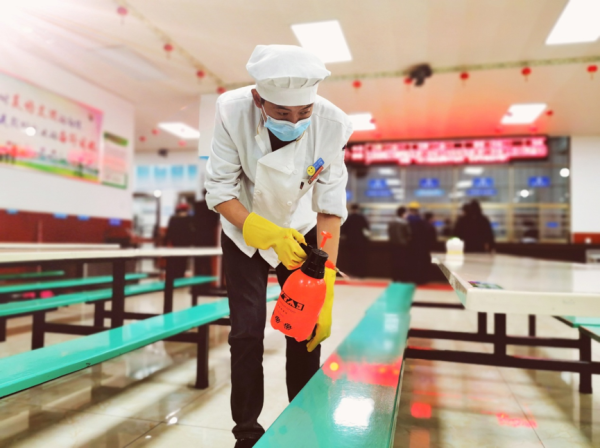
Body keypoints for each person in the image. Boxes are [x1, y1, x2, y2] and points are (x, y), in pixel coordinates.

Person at [204, 44, 352, 448]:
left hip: (301, 229)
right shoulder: (232, 110)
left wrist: (326, 283)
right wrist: (266, 233)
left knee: (305, 332)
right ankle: (246, 432)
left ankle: (302, 426)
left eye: (304, 112)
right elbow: (219, 190)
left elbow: (330, 208)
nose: (295, 121)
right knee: (246, 334)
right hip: (244, 228)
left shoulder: (332, 124)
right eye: (283, 113)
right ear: (259, 99)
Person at [165, 203, 196, 278]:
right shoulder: (189, 219)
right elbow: (192, 232)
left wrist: (167, 241)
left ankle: (176, 276)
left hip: (176, 243)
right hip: (186, 243)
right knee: (183, 261)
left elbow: (170, 232)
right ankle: (181, 275)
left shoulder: (173, 219)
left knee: (176, 260)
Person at [340, 203, 370, 277]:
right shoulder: (361, 217)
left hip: (350, 242)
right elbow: (367, 228)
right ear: (358, 209)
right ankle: (360, 273)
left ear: (351, 209)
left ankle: (352, 272)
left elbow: (343, 230)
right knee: (360, 258)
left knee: (351, 258)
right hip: (360, 242)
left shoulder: (348, 218)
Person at [405, 201, 430, 284]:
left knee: (410, 262)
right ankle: (419, 279)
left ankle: (411, 278)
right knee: (418, 262)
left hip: (410, 245)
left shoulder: (407, 219)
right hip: (420, 245)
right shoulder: (420, 219)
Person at [388, 206, 411, 282]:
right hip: (403, 245)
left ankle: (395, 277)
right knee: (403, 262)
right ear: (403, 213)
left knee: (394, 261)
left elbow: (389, 232)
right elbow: (409, 234)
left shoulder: (391, 222)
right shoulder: (405, 222)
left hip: (393, 245)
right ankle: (402, 277)